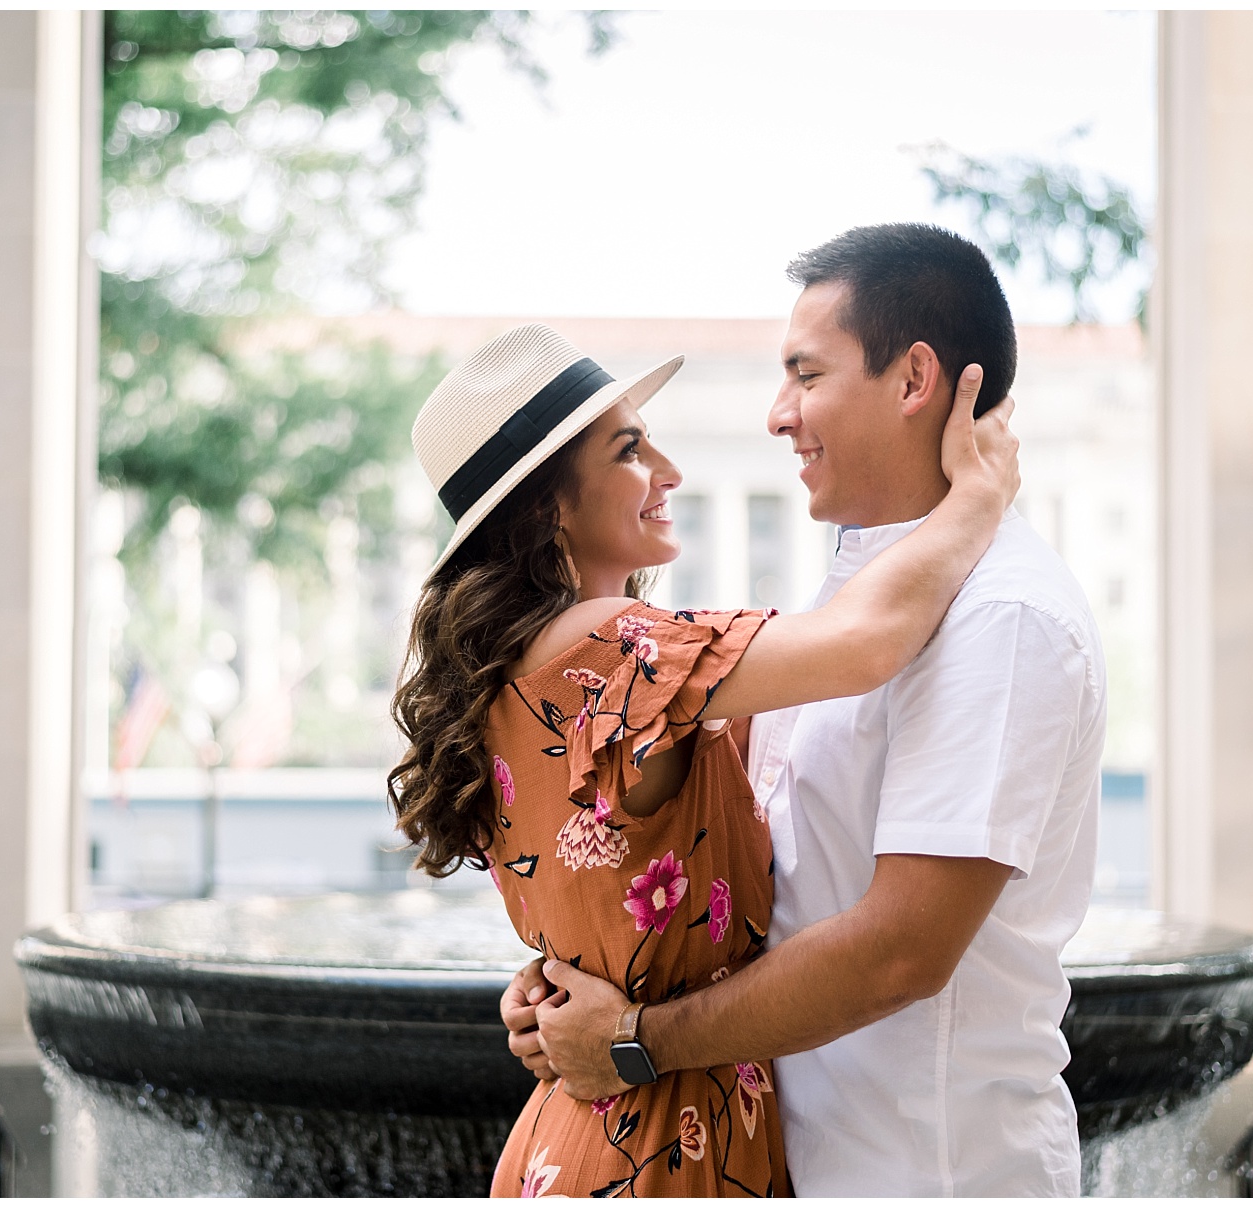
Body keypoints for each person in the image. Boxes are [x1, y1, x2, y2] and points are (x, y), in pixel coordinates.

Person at [504, 224, 1107, 1197]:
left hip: (924, 1175)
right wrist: (575, 974)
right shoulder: (857, 597)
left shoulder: (1002, 615)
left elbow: (902, 948)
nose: (778, 414)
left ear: (915, 380)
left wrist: (632, 1037)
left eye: (805, 373)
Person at [390, 316, 1019, 1197]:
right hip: (663, 1145)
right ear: (549, 507)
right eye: (629, 451)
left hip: (597, 1131)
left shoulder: (520, 674)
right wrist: (980, 501)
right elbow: (868, 640)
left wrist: (558, 988)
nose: (670, 472)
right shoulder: (613, 649)